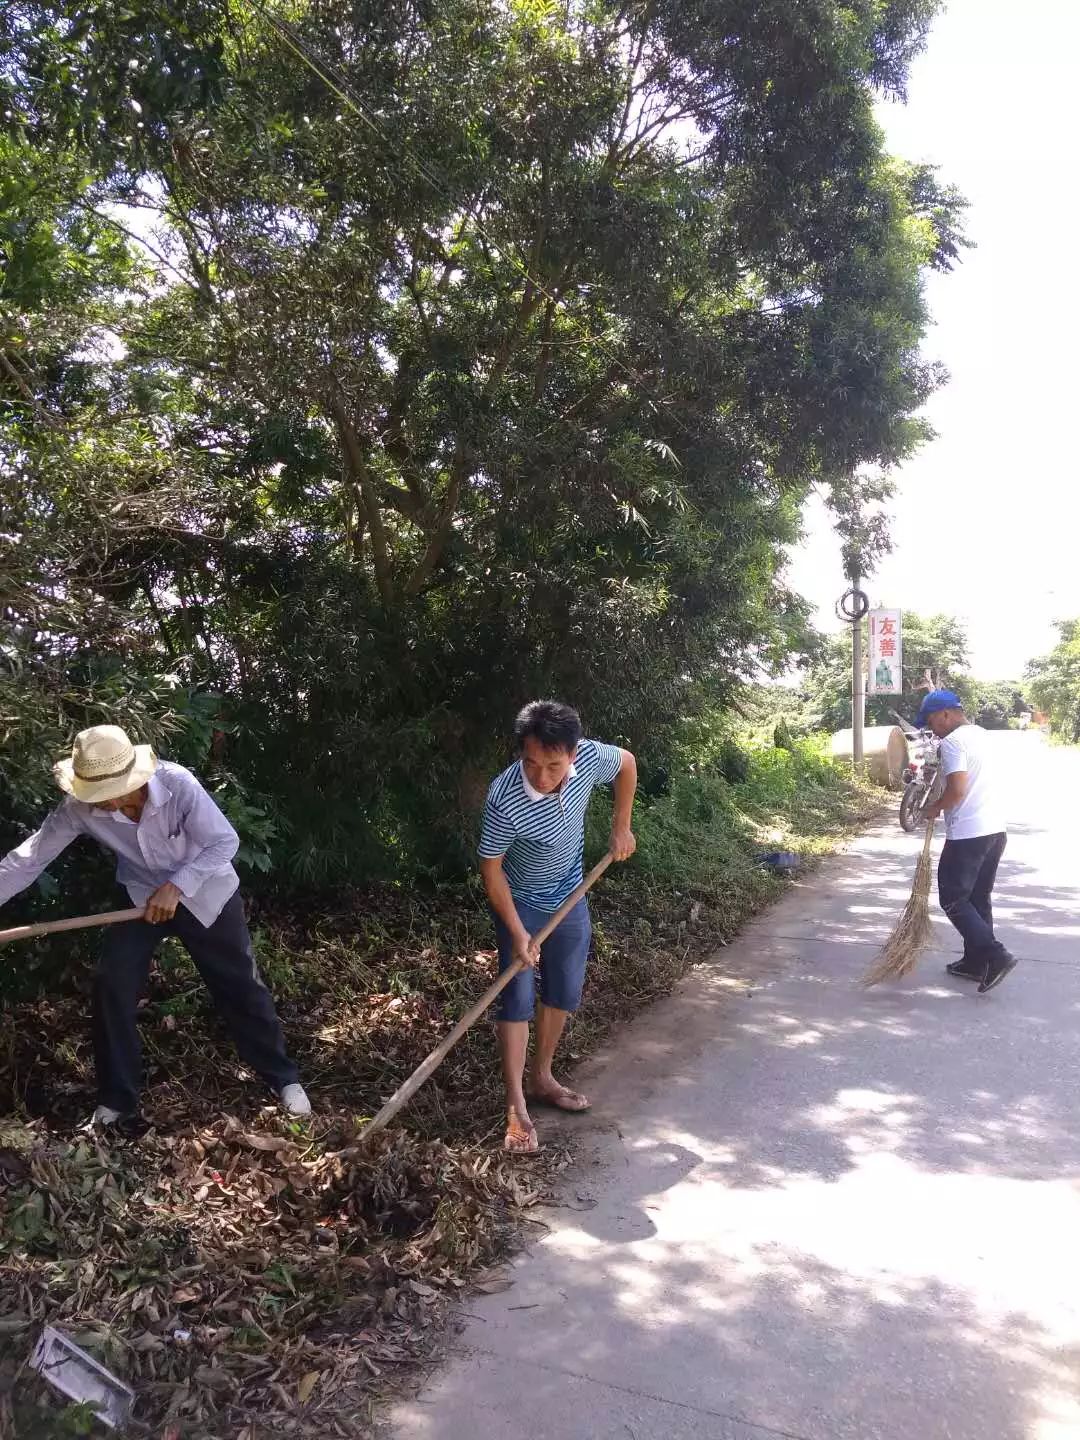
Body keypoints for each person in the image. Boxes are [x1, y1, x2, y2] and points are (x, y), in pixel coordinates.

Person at [0, 725, 310, 1124]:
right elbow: (28, 859)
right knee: (112, 983)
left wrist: (177, 886)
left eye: (110, 794)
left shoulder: (178, 785)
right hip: (139, 898)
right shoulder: (79, 807)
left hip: (207, 894)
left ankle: (283, 1079)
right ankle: (116, 1101)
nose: (104, 804)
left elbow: (225, 842)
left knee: (239, 984)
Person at [479, 701, 637, 1153]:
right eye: (531, 764)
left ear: (572, 754)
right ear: (520, 755)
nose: (542, 777)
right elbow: (492, 870)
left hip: (570, 894)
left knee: (564, 989)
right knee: (516, 996)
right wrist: (517, 931)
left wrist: (620, 825)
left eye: (553, 765)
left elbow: (626, 763)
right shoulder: (503, 797)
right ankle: (515, 1105)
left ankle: (542, 1078)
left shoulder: (589, 758)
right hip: (520, 900)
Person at [918, 690, 1017, 993]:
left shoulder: (953, 742)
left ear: (946, 714)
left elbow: (958, 789)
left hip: (969, 834)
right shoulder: (984, 735)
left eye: (931, 721)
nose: (931, 728)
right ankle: (976, 963)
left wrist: (934, 807)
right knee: (976, 898)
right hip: (995, 830)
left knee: (953, 899)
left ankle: (995, 955)